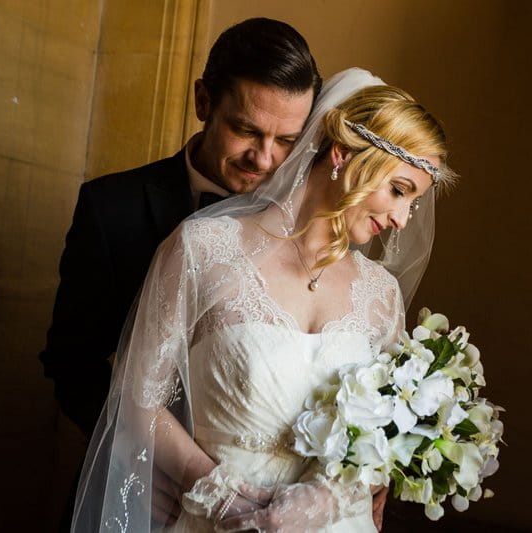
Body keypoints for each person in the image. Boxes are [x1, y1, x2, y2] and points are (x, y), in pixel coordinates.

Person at [71, 68, 457, 532]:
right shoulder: (203, 248)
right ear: (341, 154)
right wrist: (219, 496)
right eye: (398, 190)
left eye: (412, 202)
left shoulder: (381, 294)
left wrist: (327, 498)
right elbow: (138, 399)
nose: (401, 218)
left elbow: (390, 431)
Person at [39, 17, 320, 529]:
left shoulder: (313, 232)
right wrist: (149, 458)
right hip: (139, 487)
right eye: (246, 130)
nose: (265, 158)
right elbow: (70, 362)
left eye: (287, 140)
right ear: (203, 101)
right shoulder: (111, 209)